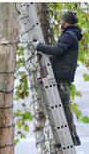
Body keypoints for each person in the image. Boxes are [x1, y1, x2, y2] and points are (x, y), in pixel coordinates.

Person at [33, 11, 83, 146]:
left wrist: (39, 46)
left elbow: (58, 50)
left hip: (61, 78)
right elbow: (59, 54)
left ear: (65, 22)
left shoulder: (68, 35)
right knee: (64, 109)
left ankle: (69, 139)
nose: (60, 23)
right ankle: (70, 138)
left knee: (64, 110)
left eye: (61, 20)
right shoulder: (71, 35)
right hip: (61, 77)